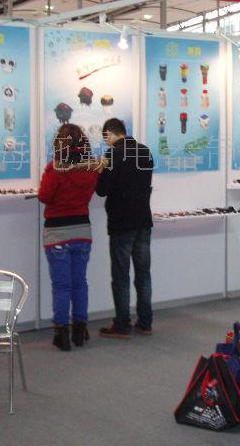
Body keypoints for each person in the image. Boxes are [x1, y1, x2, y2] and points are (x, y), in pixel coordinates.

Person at [38, 124, 101, 351]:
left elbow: (44, 197)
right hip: (82, 231)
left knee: (61, 286)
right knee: (79, 283)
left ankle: (62, 332)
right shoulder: (91, 168)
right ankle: (80, 330)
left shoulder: (55, 169)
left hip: (57, 233)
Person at [95, 118, 155, 339]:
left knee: (121, 276)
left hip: (121, 223)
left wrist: (100, 169)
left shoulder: (113, 155)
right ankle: (145, 322)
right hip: (143, 220)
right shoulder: (144, 151)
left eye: (106, 138)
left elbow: (102, 190)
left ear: (110, 134)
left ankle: (122, 325)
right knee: (143, 274)